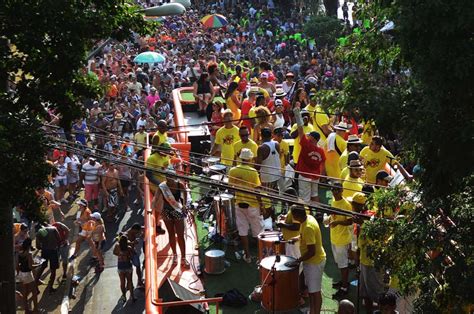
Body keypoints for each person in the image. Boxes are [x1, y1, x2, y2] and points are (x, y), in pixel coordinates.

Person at [228, 148, 264, 263]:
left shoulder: (233, 170)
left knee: (242, 231)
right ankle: (260, 257)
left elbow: (231, 188)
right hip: (252, 205)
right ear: (250, 159)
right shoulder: (253, 172)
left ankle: (247, 256)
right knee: (257, 231)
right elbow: (257, 190)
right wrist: (261, 205)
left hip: (239, 204)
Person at [289, 205, 326, 314]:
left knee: (315, 292)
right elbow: (304, 236)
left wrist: (298, 260)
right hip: (311, 262)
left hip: (314, 263)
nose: (292, 217)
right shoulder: (308, 218)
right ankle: (312, 310)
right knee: (311, 290)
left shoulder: (308, 227)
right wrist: (296, 238)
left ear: (297, 216)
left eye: (293, 215)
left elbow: (311, 251)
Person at [351, 192, 383, 314]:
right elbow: (360, 244)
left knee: (376, 294)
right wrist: (357, 259)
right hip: (363, 261)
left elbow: (373, 243)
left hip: (371, 263)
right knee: (365, 293)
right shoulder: (361, 219)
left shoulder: (369, 221)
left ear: (358, 205)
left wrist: (362, 225)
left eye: (353, 204)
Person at [153, 176, 190, 268]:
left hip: (177, 211)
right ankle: (174, 255)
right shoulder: (162, 186)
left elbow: (185, 192)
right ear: (166, 178)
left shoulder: (179, 184)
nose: (170, 180)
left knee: (180, 235)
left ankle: (183, 258)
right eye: (168, 178)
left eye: (172, 178)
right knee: (171, 233)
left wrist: (184, 204)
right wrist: (151, 208)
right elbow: (156, 197)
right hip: (166, 212)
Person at [293, 108, 326, 203]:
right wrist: (322, 176)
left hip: (304, 176)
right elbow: (323, 164)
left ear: (313, 138)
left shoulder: (306, 145)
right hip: (315, 177)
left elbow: (300, 130)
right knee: (315, 195)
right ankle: (316, 214)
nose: (308, 136)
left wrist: (298, 116)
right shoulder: (321, 150)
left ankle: (306, 215)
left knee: (304, 198)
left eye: (309, 135)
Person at [328, 182, 353, 298]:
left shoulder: (346, 205)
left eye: (337, 190)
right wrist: (329, 219)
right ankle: (343, 281)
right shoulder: (333, 201)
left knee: (343, 264)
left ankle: (344, 287)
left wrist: (337, 222)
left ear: (342, 190)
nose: (335, 192)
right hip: (334, 237)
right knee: (340, 263)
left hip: (342, 239)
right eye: (333, 190)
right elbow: (333, 216)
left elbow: (350, 221)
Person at [16, 238, 40, 313]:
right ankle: (35, 309)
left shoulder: (19, 253)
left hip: (21, 274)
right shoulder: (29, 254)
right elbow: (30, 266)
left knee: (25, 293)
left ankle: (26, 310)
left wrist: (18, 274)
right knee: (34, 292)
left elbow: (17, 266)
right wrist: (39, 264)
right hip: (28, 274)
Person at [36, 225, 60, 294]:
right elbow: (59, 239)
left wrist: (44, 247)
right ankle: (50, 288)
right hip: (53, 251)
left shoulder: (39, 232)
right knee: (53, 270)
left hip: (45, 251)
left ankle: (35, 285)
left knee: (42, 267)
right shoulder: (54, 229)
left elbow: (38, 246)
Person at [113, 234, 136, 302]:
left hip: (120, 266)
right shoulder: (128, 247)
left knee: (122, 282)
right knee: (130, 281)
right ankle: (132, 296)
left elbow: (114, 253)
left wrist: (120, 254)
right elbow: (132, 255)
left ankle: (124, 296)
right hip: (128, 265)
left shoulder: (117, 246)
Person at [126, 223, 145, 288]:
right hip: (130, 253)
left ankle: (138, 282)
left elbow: (142, 228)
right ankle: (131, 283)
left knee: (137, 267)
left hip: (133, 252)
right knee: (130, 269)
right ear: (134, 230)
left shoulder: (133, 231)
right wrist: (133, 243)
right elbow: (126, 245)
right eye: (137, 231)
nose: (138, 233)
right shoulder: (127, 235)